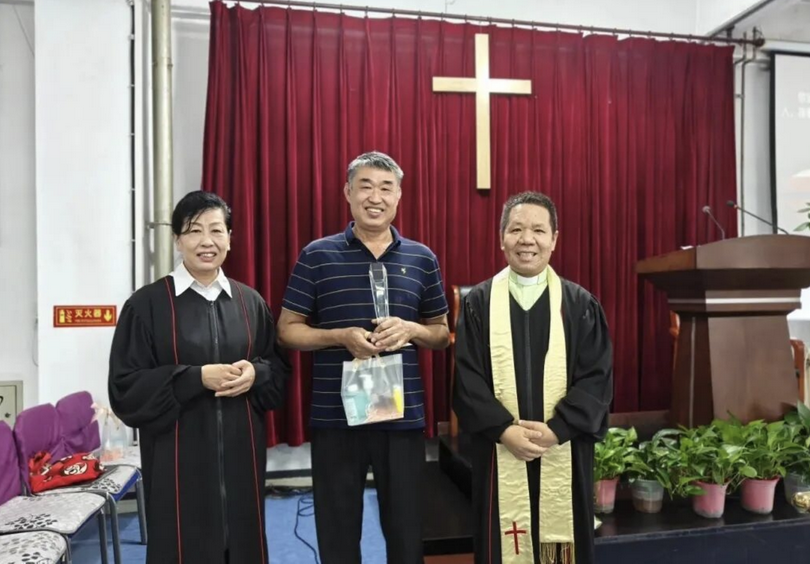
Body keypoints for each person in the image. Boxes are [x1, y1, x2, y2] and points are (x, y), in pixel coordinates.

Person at [278, 151, 450, 564]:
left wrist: (411, 330)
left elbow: (442, 334)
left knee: (407, 530)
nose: (376, 196)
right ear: (348, 193)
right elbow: (286, 330)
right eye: (366, 186)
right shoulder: (317, 255)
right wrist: (339, 337)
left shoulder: (422, 258)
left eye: (386, 187)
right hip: (336, 418)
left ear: (399, 196)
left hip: (402, 418)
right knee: (338, 531)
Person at [108, 190, 290, 564]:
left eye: (216, 230)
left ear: (229, 237)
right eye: (194, 231)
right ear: (178, 239)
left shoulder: (249, 302)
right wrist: (194, 378)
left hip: (242, 458)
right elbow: (125, 389)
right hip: (178, 462)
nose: (206, 241)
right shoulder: (147, 306)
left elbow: (278, 371)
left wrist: (257, 372)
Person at [453, 191, 613, 564]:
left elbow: (596, 378)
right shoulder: (479, 303)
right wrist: (504, 431)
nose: (527, 239)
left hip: (563, 446)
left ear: (555, 239)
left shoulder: (579, 305)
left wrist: (559, 428)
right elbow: (468, 379)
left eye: (539, 230)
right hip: (499, 448)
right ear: (501, 238)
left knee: (562, 540)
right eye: (516, 229)